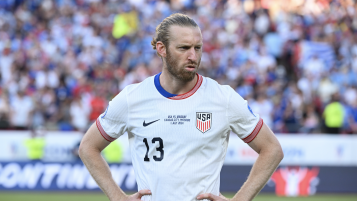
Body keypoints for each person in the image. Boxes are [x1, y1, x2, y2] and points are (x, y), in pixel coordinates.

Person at [79, 13, 284, 201]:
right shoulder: (132, 98)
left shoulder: (224, 98)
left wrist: (240, 199)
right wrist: (117, 196)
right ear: (162, 49)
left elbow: (272, 149)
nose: (193, 56)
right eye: (184, 48)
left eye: (198, 48)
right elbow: (88, 147)